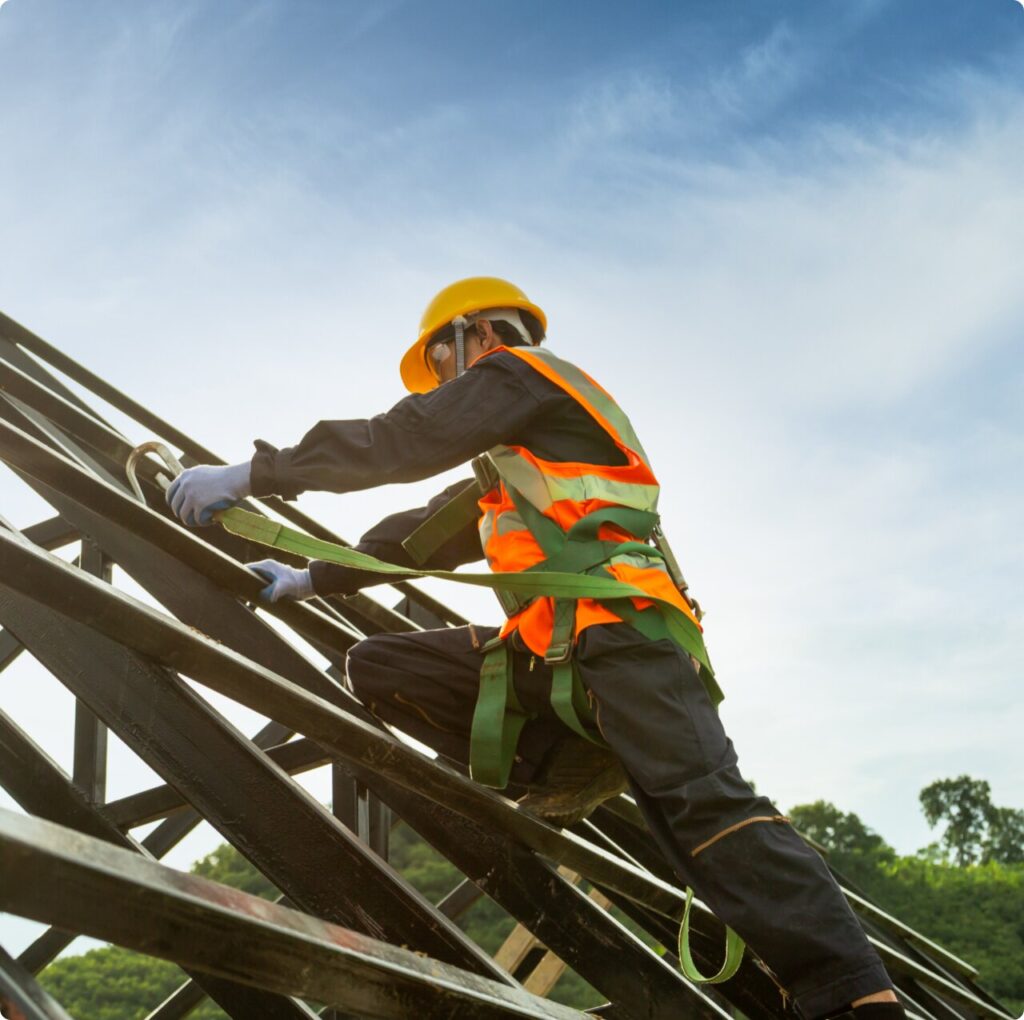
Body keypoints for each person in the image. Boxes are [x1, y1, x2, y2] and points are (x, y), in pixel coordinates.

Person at [167, 277, 903, 1019]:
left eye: (442, 363)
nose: (445, 386)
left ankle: (856, 998)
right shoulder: (514, 470)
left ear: (480, 334)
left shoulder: (526, 375)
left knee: (704, 810)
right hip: (561, 662)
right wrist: (307, 578)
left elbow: (402, 439)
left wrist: (256, 473)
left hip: (629, 637)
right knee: (380, 667)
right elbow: (419, 537)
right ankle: (568, 764)